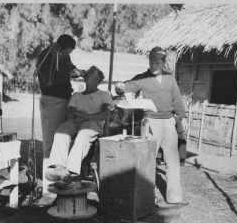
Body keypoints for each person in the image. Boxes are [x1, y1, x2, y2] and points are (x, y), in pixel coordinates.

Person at [115, 47, 188, 205]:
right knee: (148, 159)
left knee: (173, 160)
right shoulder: (143, 78)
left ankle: (174, 197)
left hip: (169, 122)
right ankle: (147, 196)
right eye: (151, 62)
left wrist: (182, 118)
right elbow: (127, 86)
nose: (153, 65)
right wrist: (120, 87)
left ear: (163, 63)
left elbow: (177, 100)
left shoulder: (170, 79)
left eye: (156, 62)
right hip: (150, 122)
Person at [45, 66, 114, 183]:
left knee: (83, 135)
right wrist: (78, 114)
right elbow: (70, 111)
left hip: (93, 124)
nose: (89, 79)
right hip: (76, 121)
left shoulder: (104, 94)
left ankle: (72, 170)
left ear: (98, 81)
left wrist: (88, 116)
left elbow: (105, 114)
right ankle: (59, 167)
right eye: (88, 76)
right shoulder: (77, 95)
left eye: (93, 77)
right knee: (61, 133)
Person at [36, 34, 85, 194]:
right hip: (52, 101)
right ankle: (47, 185)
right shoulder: (47, 56)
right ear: (60, 47)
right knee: (50, 142)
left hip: (64, 100)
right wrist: (70, 74)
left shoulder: (63, 56)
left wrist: (79, 72)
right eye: (67, 52)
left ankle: (60, 178)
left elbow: (69, 68)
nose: (67, 56)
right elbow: (50, 79)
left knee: (62, 139)